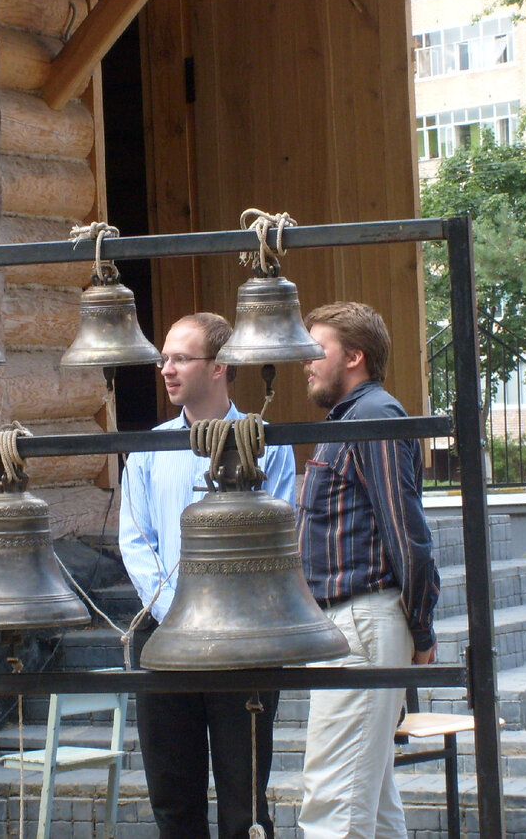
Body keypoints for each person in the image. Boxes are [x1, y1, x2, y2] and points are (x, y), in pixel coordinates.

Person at [118, 312, 296, 839]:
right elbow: (137, 540)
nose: (166, 369)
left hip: (245, 632)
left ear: (219, 367)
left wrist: (213, 613)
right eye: (164, 358)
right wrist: (177, 608)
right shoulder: (149, 448)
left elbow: (277, 534)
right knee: (173, 801)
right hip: (166, 630)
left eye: (180, 358)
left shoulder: (268, 443)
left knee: (245, 804)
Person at [295, 301, 440, 839]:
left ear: (353, 356)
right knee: (372, 809)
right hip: (351, 624)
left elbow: (407, 532)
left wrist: (421, 628)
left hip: (362, 621)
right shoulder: (352, 419)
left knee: (334, 808)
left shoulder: (374, 417)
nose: (306, 362)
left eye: (318, 351)